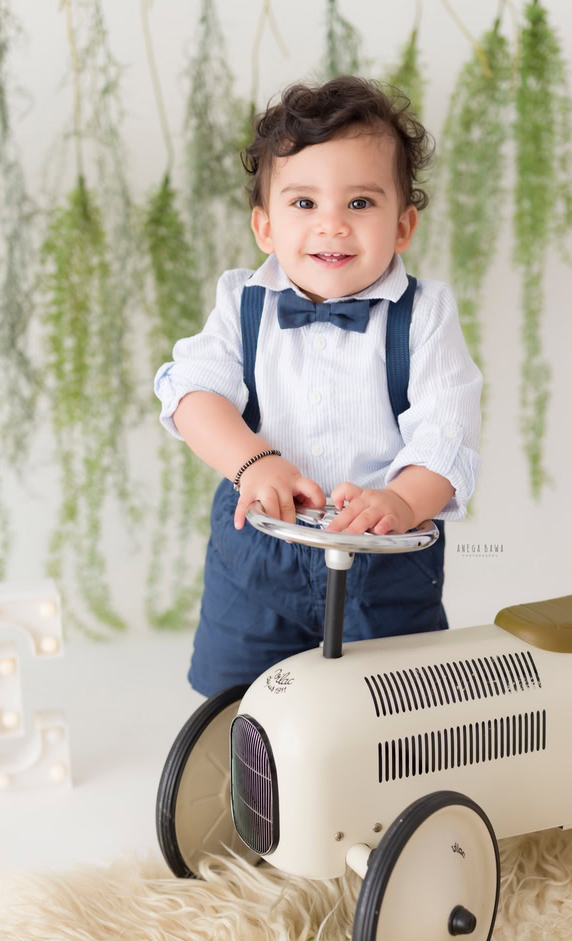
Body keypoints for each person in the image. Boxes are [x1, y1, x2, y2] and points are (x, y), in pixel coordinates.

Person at [154, 75, 483, 698]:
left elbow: (448, 436)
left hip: (385, 558)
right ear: (265, 227)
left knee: (395, 708)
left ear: (403, 225)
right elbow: (192, 395)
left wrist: (402, 500)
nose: (332, 226)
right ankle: (243, 760)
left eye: (359, 204)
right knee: (237, 704)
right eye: (304, 204)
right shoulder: (242, 302)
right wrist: (253, 461)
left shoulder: (426, 315)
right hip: (259, 550)